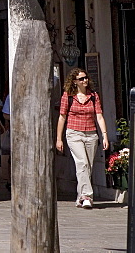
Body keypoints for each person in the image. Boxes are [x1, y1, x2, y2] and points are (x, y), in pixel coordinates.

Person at [56, 67, 108, 209]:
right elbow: (62, 117)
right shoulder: (68, 96)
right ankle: (87, 196)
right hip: (74, 134)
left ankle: (80, 197)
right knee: (82, 163)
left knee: (87, 167)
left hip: (91, 134)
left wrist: (104, 135)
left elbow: (99, 116)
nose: (85, 80)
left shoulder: (93, 96)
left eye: (85, 78)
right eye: (81, 79)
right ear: (74, 82)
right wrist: (59, 139)